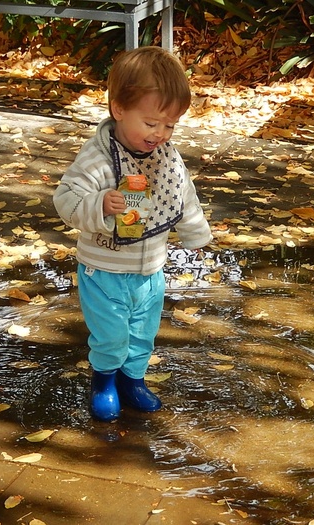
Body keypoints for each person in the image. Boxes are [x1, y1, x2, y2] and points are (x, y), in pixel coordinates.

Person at [53, 46, 212, 422]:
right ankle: (104, 381)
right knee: (111, 335)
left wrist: (196, 237)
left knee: (143, 333)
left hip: (151, 270)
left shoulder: (165, 159)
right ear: (119, 109)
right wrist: (98, 205)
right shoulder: (97, 159)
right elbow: (66, 200)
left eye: (170, 126)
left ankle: (132, 380)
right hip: (104, 269)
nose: (160, 134)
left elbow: (183, 196)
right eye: (152, 122)